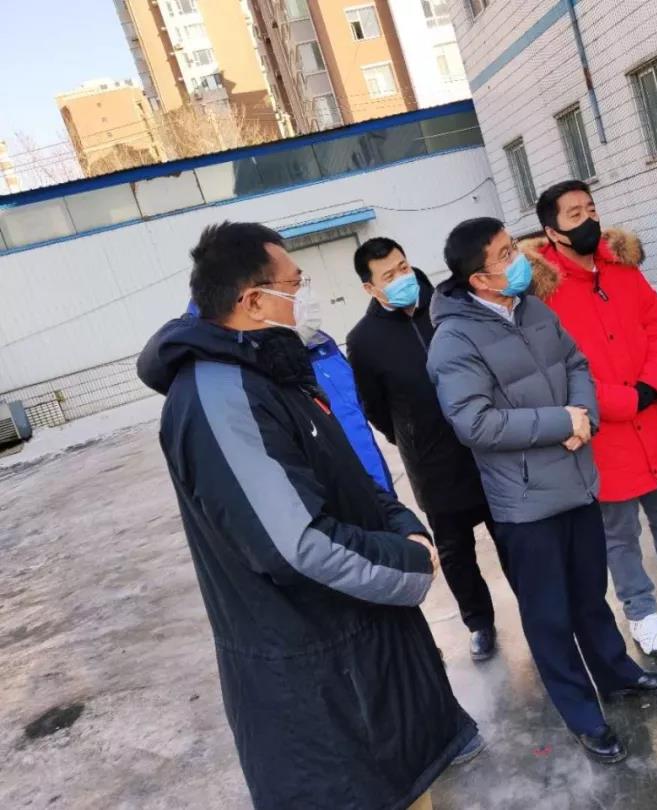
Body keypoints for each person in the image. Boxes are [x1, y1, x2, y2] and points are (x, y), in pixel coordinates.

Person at [138, 222, 479, 809]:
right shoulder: (222, 397)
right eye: (295, 284)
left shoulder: (274, 370)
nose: (305, 295)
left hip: (365, 661)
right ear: (253, 301)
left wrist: (404, 525)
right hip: (322, 687)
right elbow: (296, 545)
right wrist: (408, 562)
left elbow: (350, 477)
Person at [427, 217, 657, 764]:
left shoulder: (533, 309)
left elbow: (575, 362)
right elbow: (473, 422)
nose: (518, 258)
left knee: (590, 595)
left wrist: (584, 414)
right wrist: (560, 422)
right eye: (504, 254)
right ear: (479, 280)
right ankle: (583, 715)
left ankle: (616, 674)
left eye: (512, 246)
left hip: (578, 481)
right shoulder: (454, 340)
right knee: (549, 616)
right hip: (526, 502)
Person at [523, 181, 657, 659]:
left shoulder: (622, 268)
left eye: (591, 209)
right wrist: (620, 401)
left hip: (652, 416)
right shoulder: (543, 294)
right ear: (552, 231)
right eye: (574, 215)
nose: (588, 220)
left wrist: (653, 384)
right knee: (619, 533)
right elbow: (557, 369)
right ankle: (640, 610)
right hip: (604, 433)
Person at [348, 237, 500, 661]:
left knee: (510, 533)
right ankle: (479, 622)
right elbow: (374, 407)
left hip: (485, 446)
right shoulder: (364, 339)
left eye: (403, 266)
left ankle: (537, 605)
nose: (402, 278)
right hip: (432, 464)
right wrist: (410, 435)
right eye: (389, 275)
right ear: (370, 288)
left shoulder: (447, 305)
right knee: (455, 551)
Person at [183, 299, 395, 494]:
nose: (300, 296)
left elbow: (360, 410)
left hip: (377, 493)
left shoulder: (320, 342)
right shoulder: (228, 376)